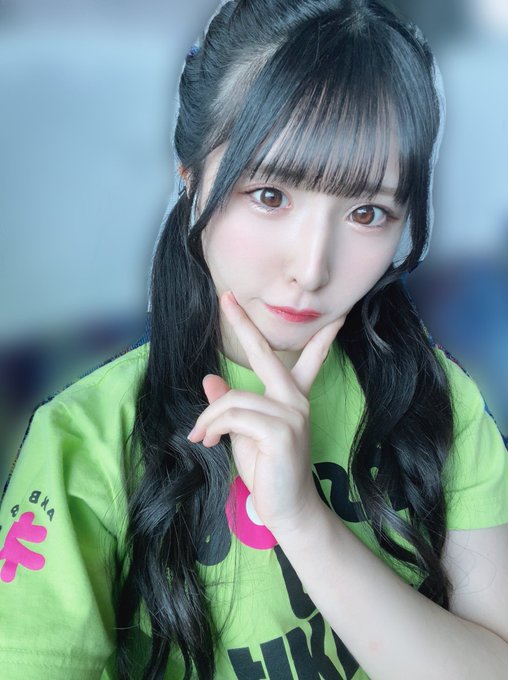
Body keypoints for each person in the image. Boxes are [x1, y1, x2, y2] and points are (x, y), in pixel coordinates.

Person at [0, 1, 507, 678]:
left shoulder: (441, 405)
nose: (312, 267)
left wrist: (302, 519)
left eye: (367, 212)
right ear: (189, 176)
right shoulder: (86, 438)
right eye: (270, 195)